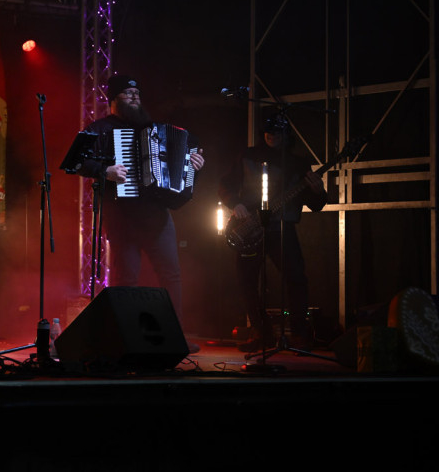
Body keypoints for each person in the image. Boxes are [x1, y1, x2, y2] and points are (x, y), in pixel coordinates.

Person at [75, 74, 204, 352]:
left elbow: (179, 167)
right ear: (113, 99)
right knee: (125, 279)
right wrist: (104, 171)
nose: (134, 96)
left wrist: (192, 164)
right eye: (127, 92)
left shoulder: (154, 129)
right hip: (121, 216)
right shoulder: (99, 128)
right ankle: (124, 337)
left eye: (137, 92)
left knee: (171, 275)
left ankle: (174, 336)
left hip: (156, 214)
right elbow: (74, 162)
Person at [218, 113, 327, 352]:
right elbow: (225, 184)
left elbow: (316, 204)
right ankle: (261, 332)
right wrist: (235, 203)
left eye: (276, 132)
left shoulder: (297, 164)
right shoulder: (247, 155)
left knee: (296, 278)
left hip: (281, 227)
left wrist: (319, 191)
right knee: (247, 281)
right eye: (268, 131)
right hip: (248, 227)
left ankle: (299, 333)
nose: (271, 136)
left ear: (286, 135)